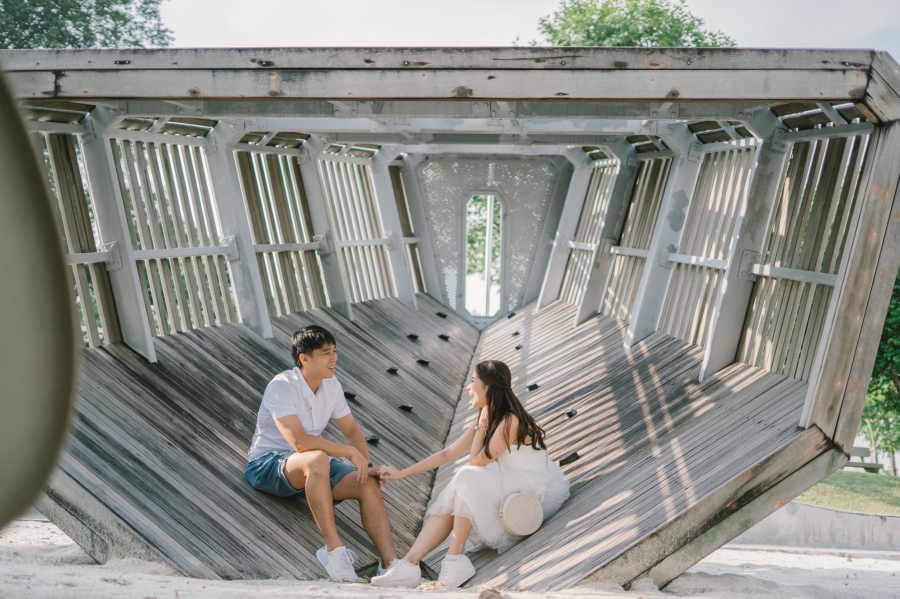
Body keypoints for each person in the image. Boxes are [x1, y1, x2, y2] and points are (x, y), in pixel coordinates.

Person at [371, 360, 569, 589]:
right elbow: (448, 453)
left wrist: (482, 427)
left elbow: (477, 460)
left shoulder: (510, 419)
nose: (468, 387)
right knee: (461, 485)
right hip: (510, 485)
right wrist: (402, 473)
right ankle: (409, 565)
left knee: (467, 476)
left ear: (488, 388)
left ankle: (454, 560)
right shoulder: (489, 417)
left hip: (532, 493)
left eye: (473, 381)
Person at [244, 325, 397, 582]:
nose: (334, 358)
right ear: (304, 358)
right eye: (326, 353)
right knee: (315, 458)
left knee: (367, 482)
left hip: (314, 465)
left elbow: (351, 430)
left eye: (334, 351)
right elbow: (301, 444)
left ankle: (391, 565)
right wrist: (349, 452)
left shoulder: (331, 385)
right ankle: (334, 552)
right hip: (268, 465)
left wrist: (365, 465)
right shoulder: (282, 386)